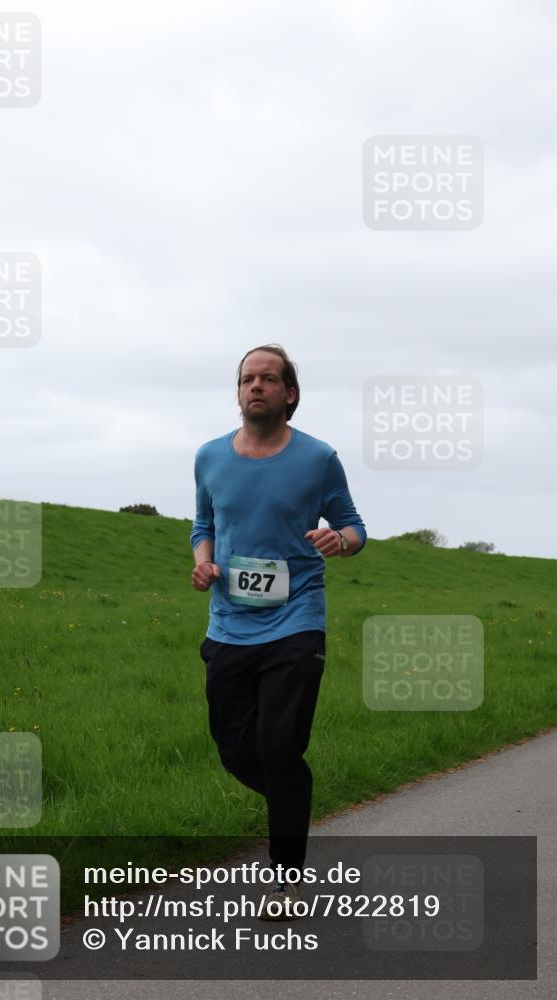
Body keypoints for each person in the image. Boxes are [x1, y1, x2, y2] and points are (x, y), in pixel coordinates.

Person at [189, 344, 367, 920]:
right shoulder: (210, 456)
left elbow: (353, 525)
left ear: (290, 393)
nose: (255, 386)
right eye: (247, 379)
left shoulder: (318, 459)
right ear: (238, 392)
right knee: (234, 750)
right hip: (229, 622)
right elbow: (203, 524)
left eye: (268, 378)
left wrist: (340, 541)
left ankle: (285, 878)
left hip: (297, 620)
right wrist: (204, 560)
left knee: (277, 745)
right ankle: (292, 801)